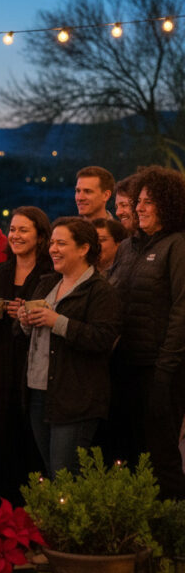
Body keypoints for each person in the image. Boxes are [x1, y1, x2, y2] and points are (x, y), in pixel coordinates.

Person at [18, 218, 121, 478]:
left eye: (61, 243)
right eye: (52, 243)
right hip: (38, 392)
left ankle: (74, 521)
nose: (53, 249)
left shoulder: (100, 291)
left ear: (84, 248)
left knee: (67, 476)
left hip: (75, 397)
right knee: (52, 473)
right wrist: (26, 322)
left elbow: (102, 339)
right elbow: (35, 335)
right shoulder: (47, 283)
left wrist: (58, 322)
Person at [108, 167, 185, 498]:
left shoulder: (177, 246)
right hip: (124, 366)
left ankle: (172, 537)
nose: (139, 207)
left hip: (160, 369)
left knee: (161, 456)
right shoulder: (127, 248)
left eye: (149, 202)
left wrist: (166, 368)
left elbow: (182, 310)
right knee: (127, 453)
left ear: (168, 205)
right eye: (138, 200)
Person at [0, 207, 52, 509]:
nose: (16, 236)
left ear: (40, 235)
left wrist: (24, 315)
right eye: (13, 230)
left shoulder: (50, 274)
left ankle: (33, 520)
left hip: (31, 368)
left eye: (24, 230)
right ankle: (2, 521)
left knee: (31, 448)